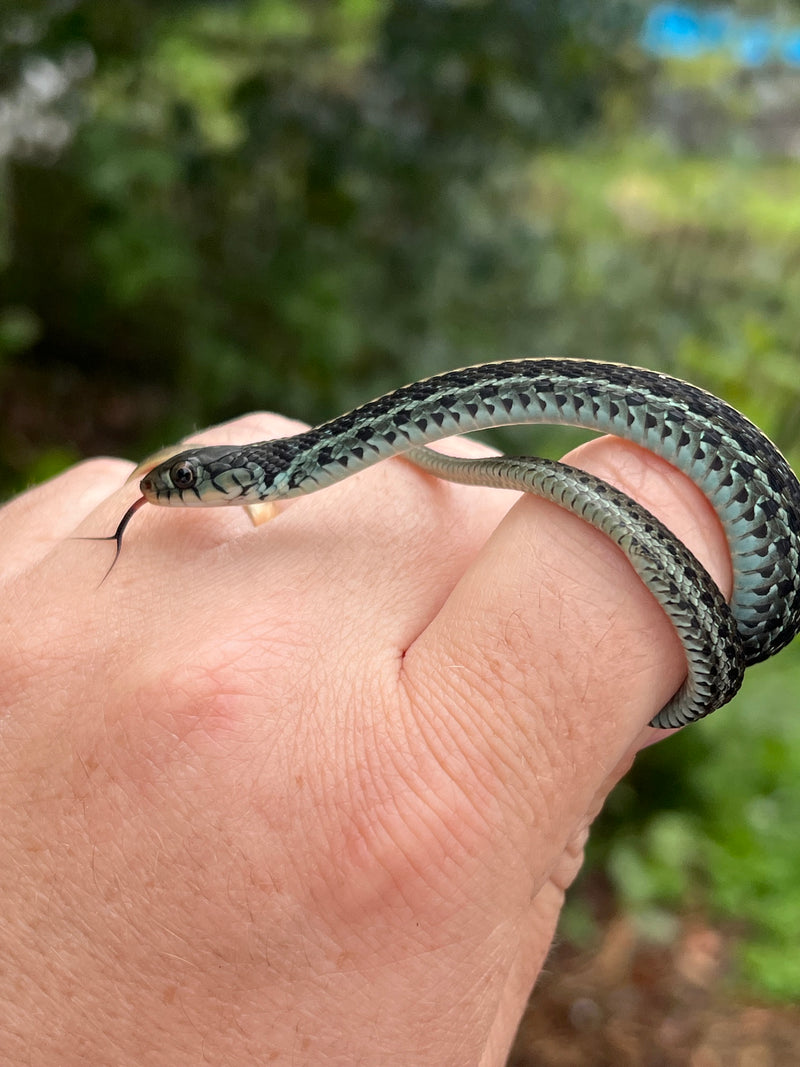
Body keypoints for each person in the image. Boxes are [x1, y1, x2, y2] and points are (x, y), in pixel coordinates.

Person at [0, 411, 731, 1066]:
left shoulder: (314, 462)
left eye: (186, 481)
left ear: (247, 477)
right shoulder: (311, 465)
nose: (165, 489)